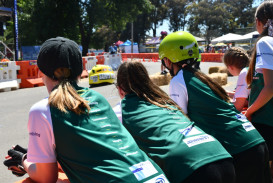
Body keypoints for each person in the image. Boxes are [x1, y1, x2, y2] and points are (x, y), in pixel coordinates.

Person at [4, 37, 169, 183]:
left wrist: (24, 160)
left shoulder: (42, 110)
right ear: (80, 72)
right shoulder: (98, 99)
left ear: (40, 71)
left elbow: (46, 178)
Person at [159, 31, 272, 183]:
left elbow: (181, 121)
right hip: (256, 141)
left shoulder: (178, 80)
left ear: (168, 60)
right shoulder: (203, 78)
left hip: (239, 149)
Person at [114, 61, 235, 183]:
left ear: (120, 89)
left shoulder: (120, 111)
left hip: (190, 168)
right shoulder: (165, 101)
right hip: (221, 155)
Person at [245, 1, 273, 180]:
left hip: (267, 121)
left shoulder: (266, 42)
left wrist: (249, 111)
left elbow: (271, 87)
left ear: (258, 21)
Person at [223, 47, 250, 112]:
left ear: (230, 67)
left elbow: (238, 106)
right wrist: (224, 93)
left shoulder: (244, 73)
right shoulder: (250, 69)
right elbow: (248, 99)